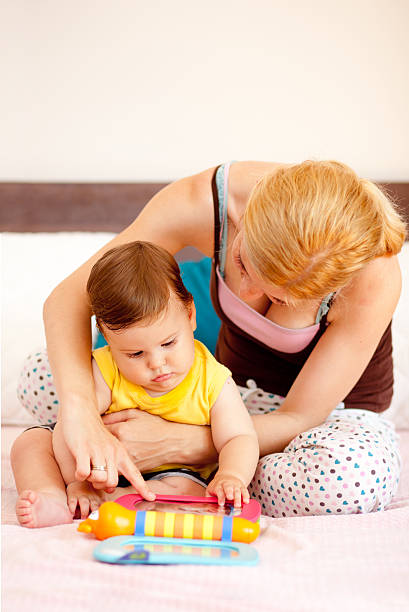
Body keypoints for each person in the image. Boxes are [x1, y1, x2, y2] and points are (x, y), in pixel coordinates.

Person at [12, 159, 406, 519]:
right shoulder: (207, 202)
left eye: (279, 298)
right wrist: (81, 413)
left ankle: (198, 481)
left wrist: (185, 443)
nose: (250, 295)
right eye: (241, 265)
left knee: (348, 477)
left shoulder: (371, 273)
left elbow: (300, 416)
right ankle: (163, 474)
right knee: (45, 374)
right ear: (247, 217)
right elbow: (68, 300)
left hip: (320, 422)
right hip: (224, 401)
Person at [12, 241, 259, 526]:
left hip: (174, 474)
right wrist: (78, 481)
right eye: (135, 354)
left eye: (168, 343)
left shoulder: (212, 380)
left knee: (190, 490)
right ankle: (52, 495)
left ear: (191, 315)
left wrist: (232, 475)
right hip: (98, 468)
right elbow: (73, 423)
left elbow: (239, 437)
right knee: (30, 443)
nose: (156, 363)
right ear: (106, 336)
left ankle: (115, 500)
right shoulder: (105, 369)